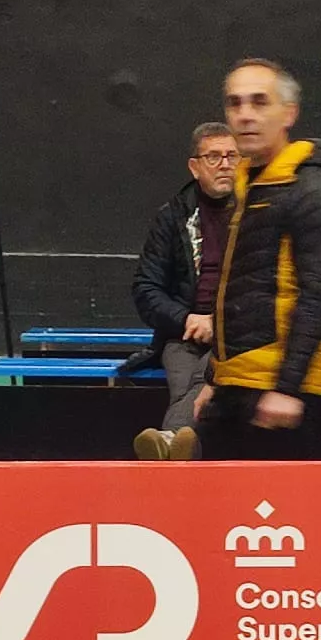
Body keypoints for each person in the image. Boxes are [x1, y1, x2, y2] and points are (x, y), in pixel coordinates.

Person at [191, 59, 321, 460]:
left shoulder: (312, 188)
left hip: (284, 401)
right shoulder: (247, 183)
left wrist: (286, 389)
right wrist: (215, 377)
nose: (245, 115)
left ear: (289, 114)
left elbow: (318, 295)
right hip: (236, 388)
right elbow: (238, 286)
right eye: (235, 103)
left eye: (260, 102)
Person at [129, 122, 241, 460]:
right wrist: (187, 319)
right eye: (214, 156)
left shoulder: (256, 215)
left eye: (232, 156)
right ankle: (182, 447)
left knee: (199, 380)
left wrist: (219, 324)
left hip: (237, 335)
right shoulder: (172, 217)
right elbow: (145, 288)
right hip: (183, 335)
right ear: (194, 166)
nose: (224, 164)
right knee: (188, 380)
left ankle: (171, 442)